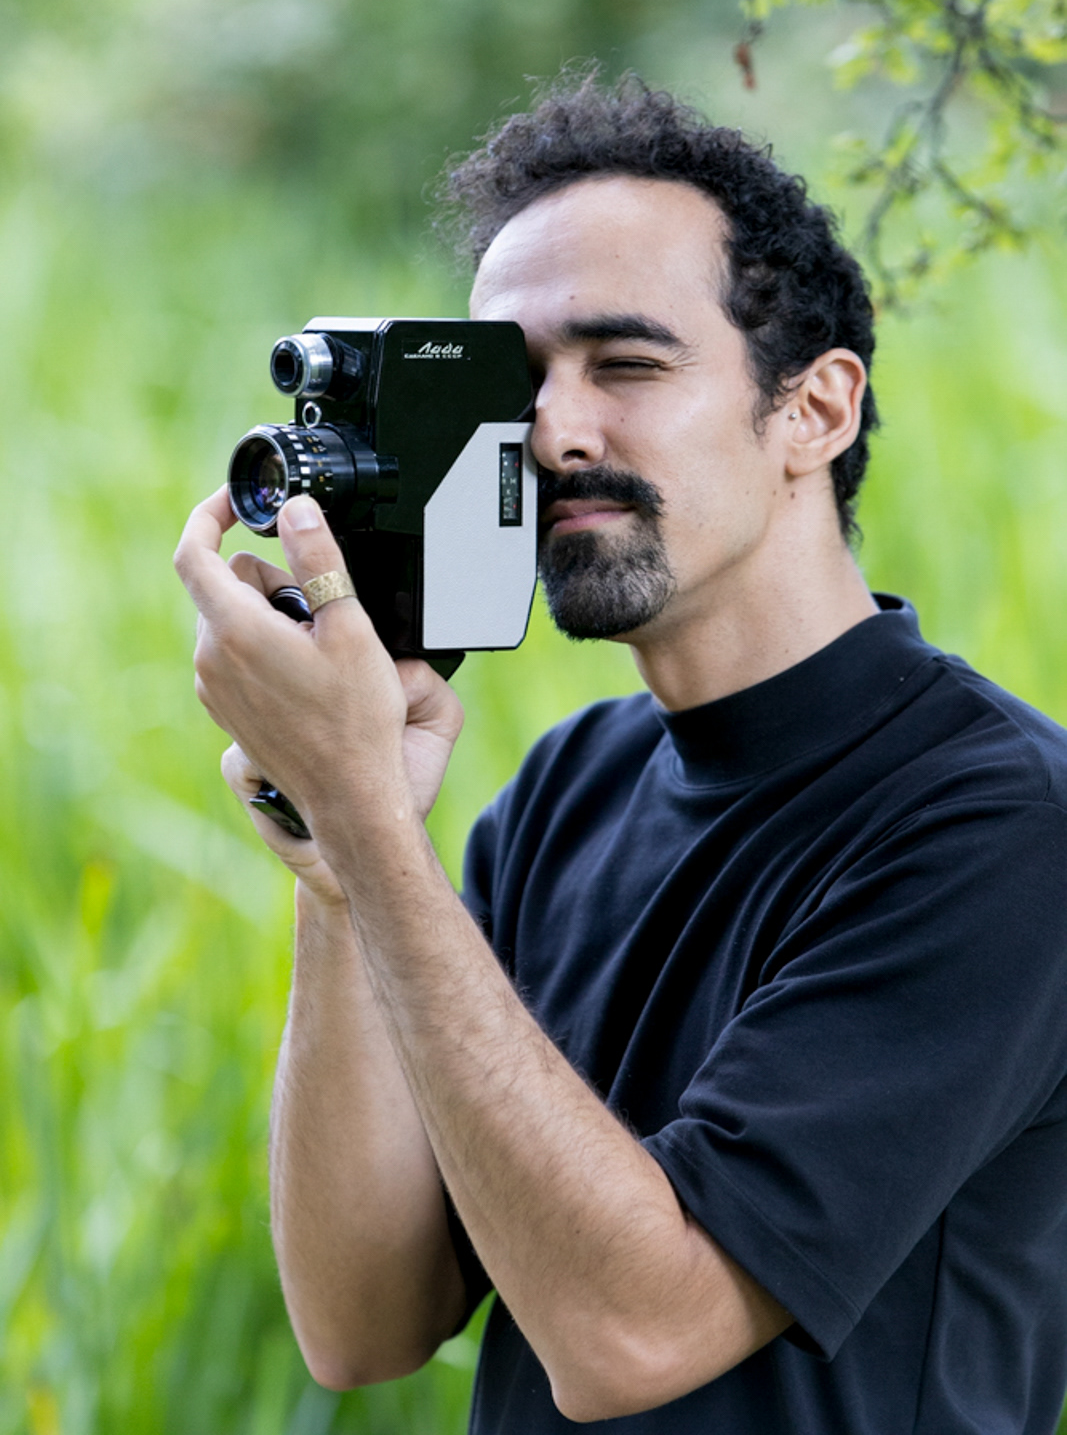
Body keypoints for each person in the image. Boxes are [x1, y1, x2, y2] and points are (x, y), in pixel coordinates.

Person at [175, 76, 1067, 1434]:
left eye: (629, 365)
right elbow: (363, 1323)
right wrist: (341, 871)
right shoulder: (572, 784)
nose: (554, 432)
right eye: (518, 380)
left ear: (815, 411)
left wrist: (366, 819)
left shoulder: (1000, 823)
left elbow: (635, 1335)